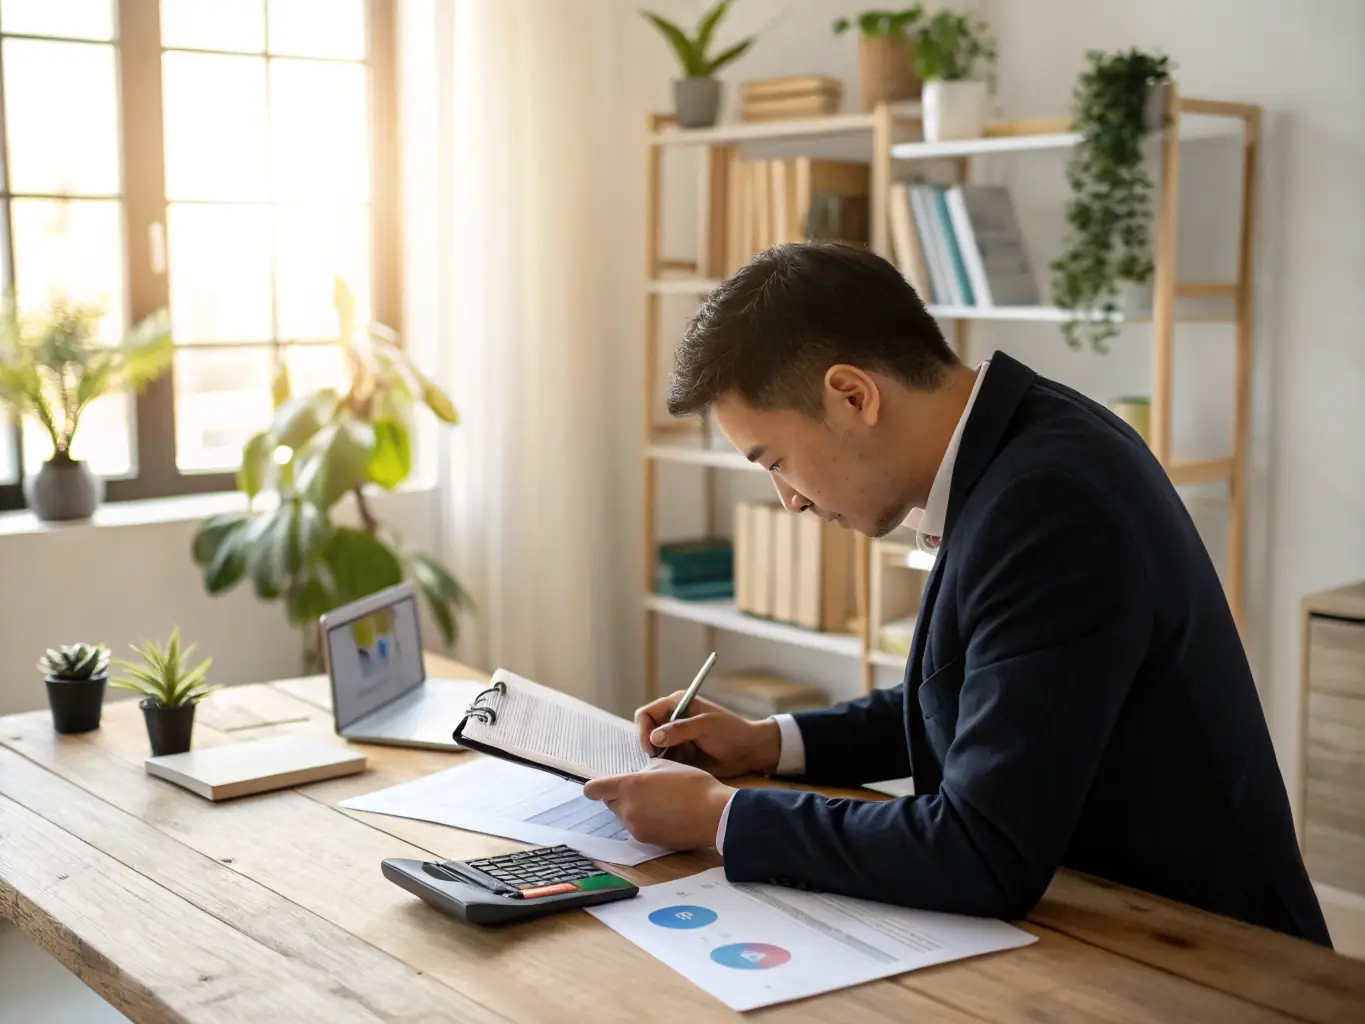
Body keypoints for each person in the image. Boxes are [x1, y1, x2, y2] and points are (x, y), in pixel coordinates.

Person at [584, 241, 1332, 946]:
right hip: (1102, 919)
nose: (789, 500)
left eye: (774, 460)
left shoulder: (1049, 502)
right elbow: (983, 694)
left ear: (851, 395)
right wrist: (768, 742)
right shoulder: (1018, 444)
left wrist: (722, 815)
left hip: (1203, 952)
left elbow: (981, 854)